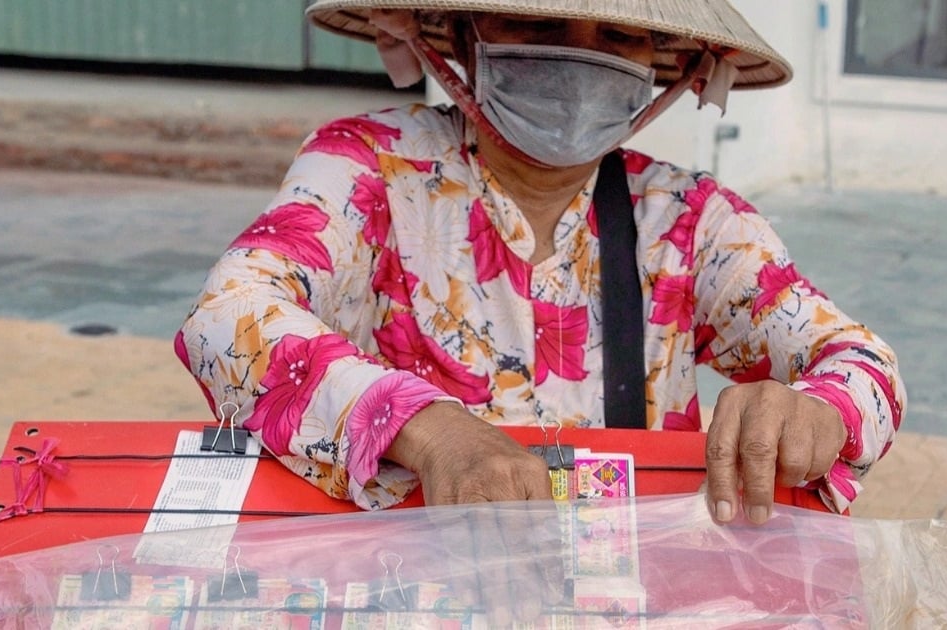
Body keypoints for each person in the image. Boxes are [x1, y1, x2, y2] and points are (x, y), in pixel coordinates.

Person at [175, 0, 906, 526]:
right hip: (406, 578)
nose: (578, 53)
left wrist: (814, 410)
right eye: (537, 23)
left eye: (618, 32)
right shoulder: (369, 166)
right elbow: (229, 315)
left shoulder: (690, 220)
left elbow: (860, 362)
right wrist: (431, 432)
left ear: (660, 64)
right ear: (463, 34)